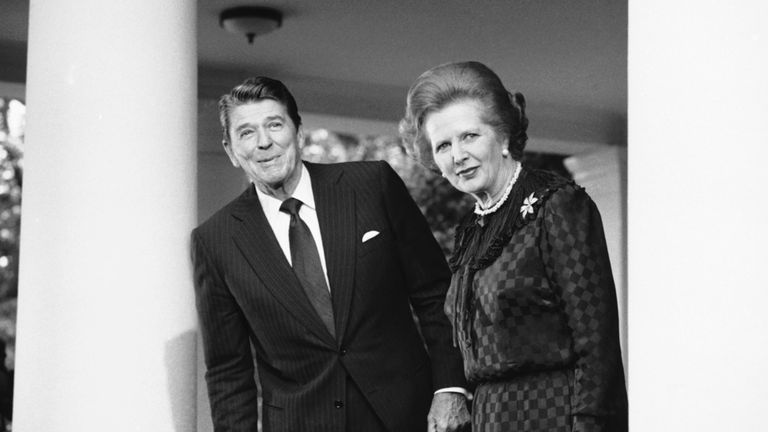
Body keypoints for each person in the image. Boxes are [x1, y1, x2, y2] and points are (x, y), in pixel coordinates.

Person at [191, 76, 471, 432]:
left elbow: (435, 293)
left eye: (274, 125)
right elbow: (228, 370)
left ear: (299, 133)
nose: (264, 142)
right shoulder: (214, 241)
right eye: (246, 133)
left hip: (410, 416)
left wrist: (450, 387)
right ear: (231, 151)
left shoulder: (372, 185)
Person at [399, 61, 628, 431]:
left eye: (470, 136)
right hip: (492, 417)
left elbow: (596, 346)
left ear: (503, 136)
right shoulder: (472, 230)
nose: (457, 155)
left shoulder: (558, 206)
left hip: (552, 415)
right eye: (443, 145)